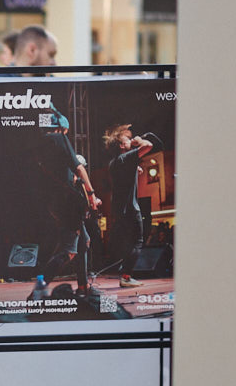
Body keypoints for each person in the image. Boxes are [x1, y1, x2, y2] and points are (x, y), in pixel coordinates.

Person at [39, 109, 102, 294]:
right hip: (66, 203)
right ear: (62, 128)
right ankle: (37, 291)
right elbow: (79, 168)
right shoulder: (58, 139)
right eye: (66, 132)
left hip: (55, 201)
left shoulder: (42, 145)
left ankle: (83, 287)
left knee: (84, 242)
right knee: (70, 250)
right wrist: (92, 197)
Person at [105, 124, 164, 287]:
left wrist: (135, 168)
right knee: (138, 241)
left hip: (119, 209)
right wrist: (139, 141)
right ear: (122, 145)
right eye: (127, 139)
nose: (131, 140)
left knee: (129, 243)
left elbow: (128, 169)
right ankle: (126, 276)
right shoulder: (127, 157)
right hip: (131, 208)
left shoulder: (114, 162)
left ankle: (125, 273)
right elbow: (149, 145)